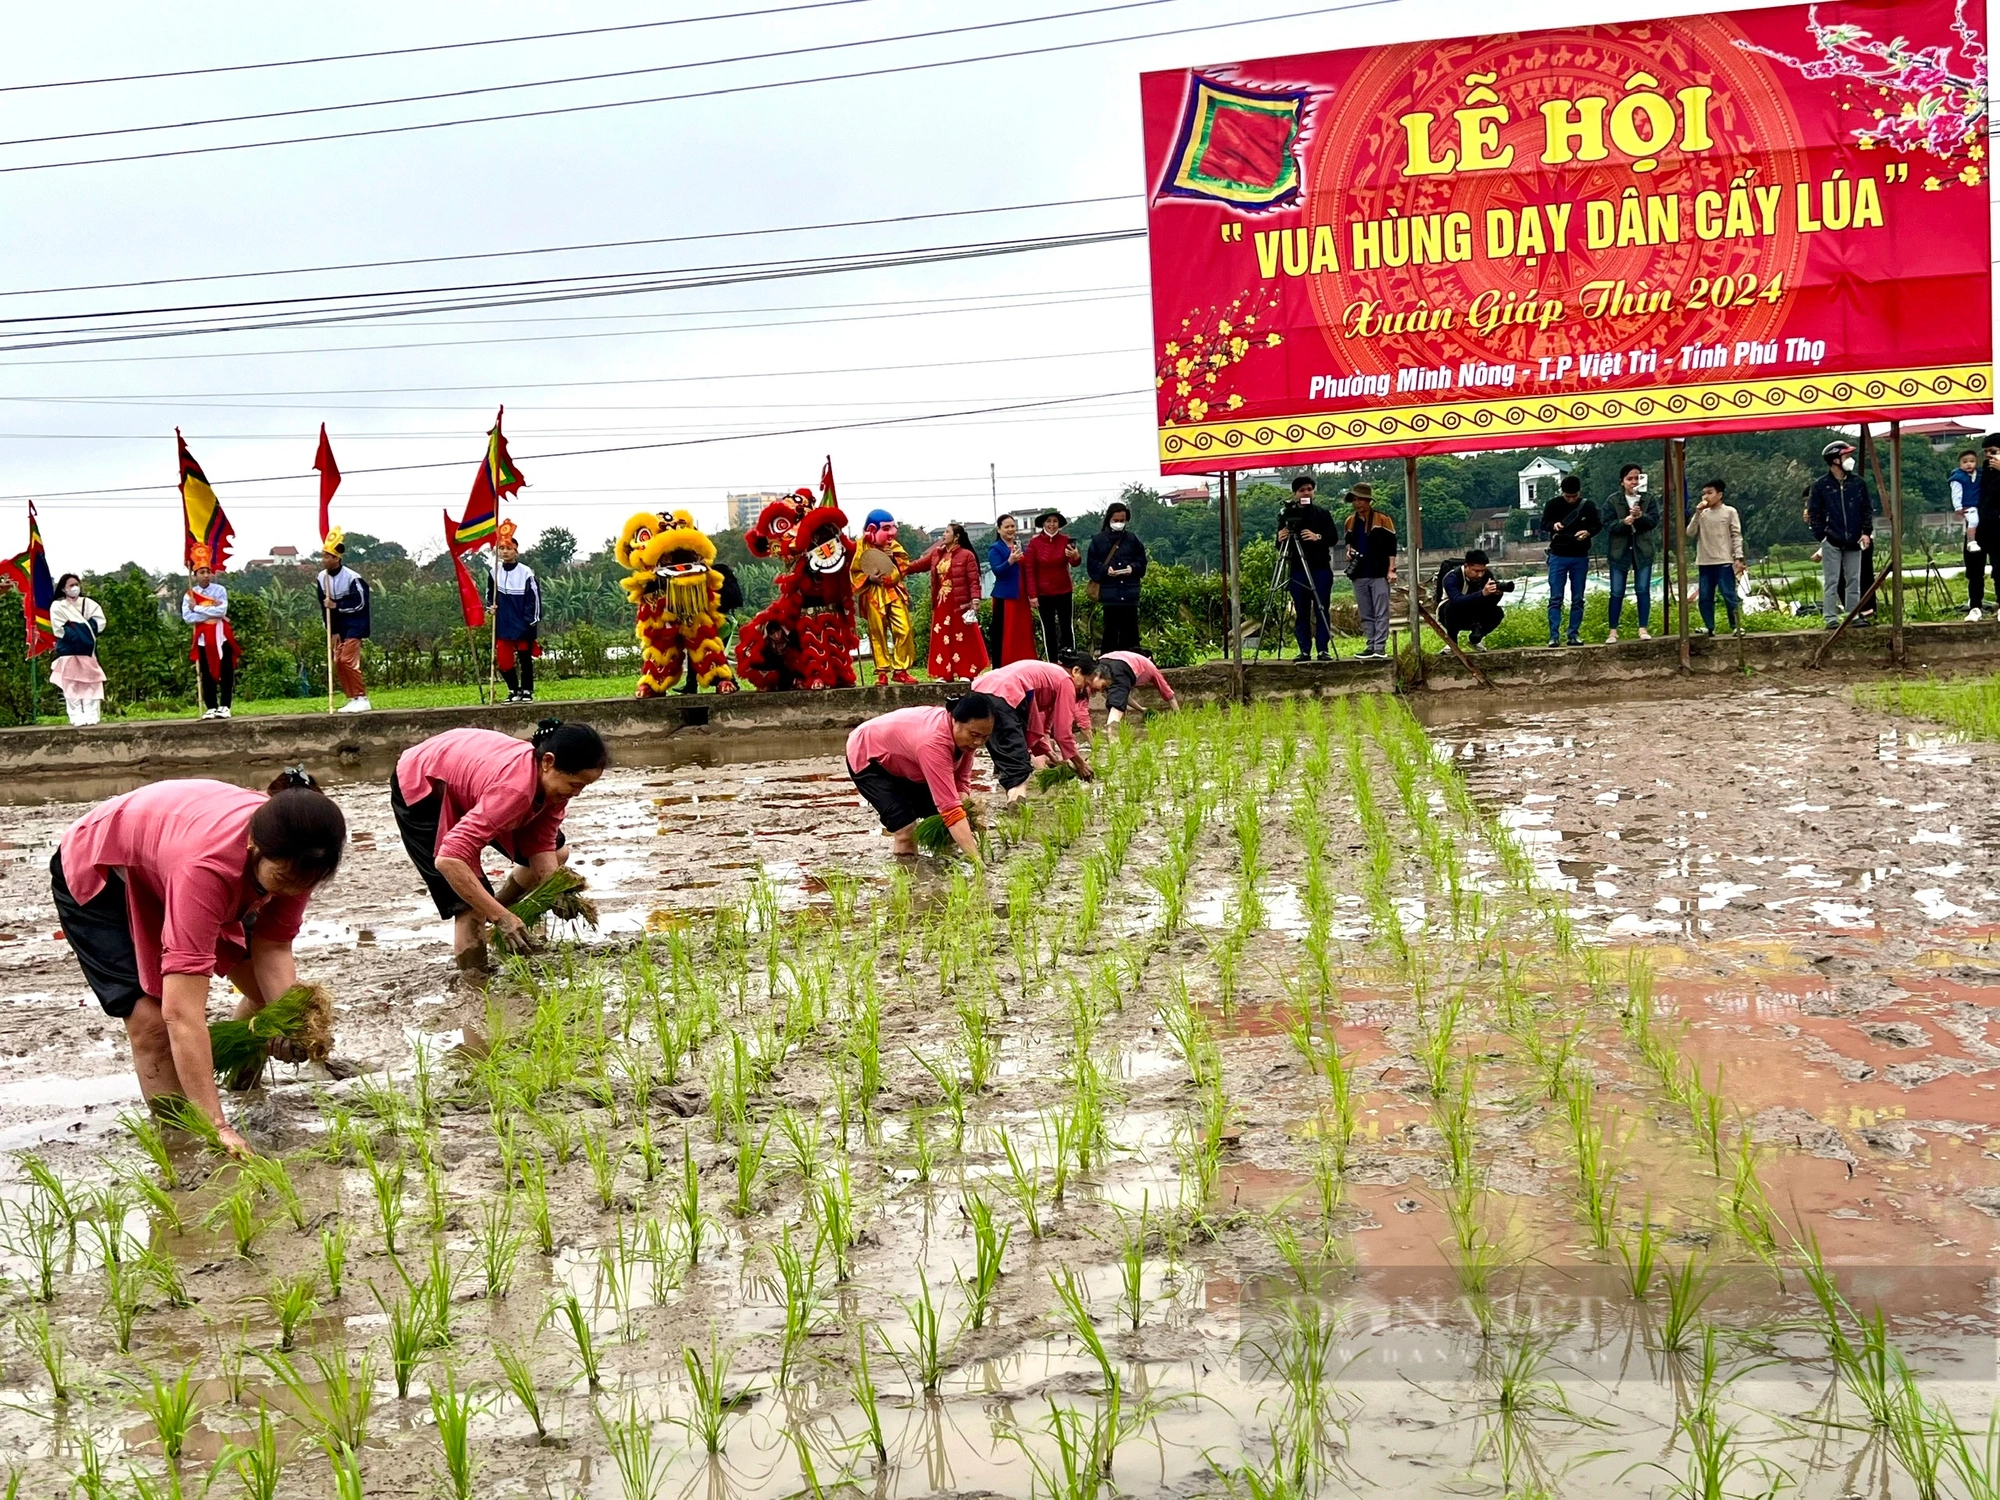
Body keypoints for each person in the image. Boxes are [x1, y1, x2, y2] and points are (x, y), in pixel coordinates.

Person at [50, 768, 348, 1157]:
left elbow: (272, 948)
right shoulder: (209, 867)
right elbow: (181, 1014)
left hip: (175, 854)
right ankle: (182, 1145)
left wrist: (288, 1022)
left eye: (305, 883)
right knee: (152, 1022)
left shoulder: (300, 855)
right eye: (283, 878)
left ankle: (242, 1080)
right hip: (107, 871)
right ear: (255, 845)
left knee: (266, 996)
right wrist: (218, 1125)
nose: (292, 890)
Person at [392, 720, 609, 972]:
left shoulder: (552, 787)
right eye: (575, 785)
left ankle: (500, 905)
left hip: (471, 775)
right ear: (548, 762)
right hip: (425, 781)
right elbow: (449, 859)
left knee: (559, 853)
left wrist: (555, 891)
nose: (578, 793)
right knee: (468, 906)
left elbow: (541, 844)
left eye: (584, 786)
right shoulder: (513, 791)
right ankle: (476, 988)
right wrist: (501, 918)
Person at [844, 694, 996, 862]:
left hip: (906, 759)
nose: (978, 742)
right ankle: (909, 880)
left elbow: (960, 784)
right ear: (955, 721)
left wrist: (965, 813)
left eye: (985, 737)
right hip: (869, 755)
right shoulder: (934, 743)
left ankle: (945, 869)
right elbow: (950, 808)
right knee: (905, 828)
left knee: (945, 824)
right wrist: (976, 861)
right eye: (974, 734)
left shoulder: (965, 741)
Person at [973, 656, 1096, 803]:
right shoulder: (1066, 681)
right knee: (1019, 770)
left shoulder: (1050, 676)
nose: (1081, 690)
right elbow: (1063, 734)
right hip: (1006, 694)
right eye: (1084, 684)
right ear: (1076, 671)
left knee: (999, 746)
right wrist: (1080, 764)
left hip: (980, 691)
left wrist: (1052, 756)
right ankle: (1017, 815)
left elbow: (1042, 729)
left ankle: (997, 778)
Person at [907, 522, 989, 681]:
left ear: (956, 537)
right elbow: (917, 566)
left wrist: (976, 599)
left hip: (960, 602)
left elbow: (973, 580)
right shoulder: (937, 554)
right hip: (942, 602)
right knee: (942, 635)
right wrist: (898, 565)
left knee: (962, 636)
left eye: (946, 532)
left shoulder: (967, 555)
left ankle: (966, 671)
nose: (943, 535)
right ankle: (944, 673)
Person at [1808, 439, 1874, 627]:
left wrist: (1866, 532)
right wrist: (1822, 536)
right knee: (1832, 580)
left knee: (1854, 579)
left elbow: (1866, 509)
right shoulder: (1821, 485)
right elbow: (1815, 513)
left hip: (1854, 539)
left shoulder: (1857, 483)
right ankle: (1830, 618)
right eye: (1846, 455)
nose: (1849, 459)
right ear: (1835, 460)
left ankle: (1852, 615)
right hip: (1832, 540)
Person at [853, 510, 918, 685]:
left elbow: (904, 566)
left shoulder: (894, 546)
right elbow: (855, 570)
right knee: (877, 632)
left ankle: (900, 669)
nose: (891, 533)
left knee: (903, 628)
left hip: (894, 591)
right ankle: (882, 671)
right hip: (874, 593)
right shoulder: (862, 545)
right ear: (873, 529)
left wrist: (893, 560)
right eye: (886, 528)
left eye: (893, 527)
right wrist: (869, 578)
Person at [1277, 475, 1338, 661]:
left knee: (1321, 608)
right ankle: (1304, 650)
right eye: (1302, 490)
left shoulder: (1322, 513)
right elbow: (1280, 545)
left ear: (1314, 492)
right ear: (1295, 493)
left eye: (1309, 489)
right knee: (1301, 611)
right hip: (1297, 570)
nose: (1306, 493)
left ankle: (1322, 649)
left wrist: (1317, 537)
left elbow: (1333, 538)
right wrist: (1280, 537)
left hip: (1320, 568)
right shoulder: (1286, 515)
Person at [316, 529, 373, 713]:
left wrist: (337, 605)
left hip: (356, 624)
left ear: (336, 558)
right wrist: (331, 631)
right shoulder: (321, 578)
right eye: (323, 556)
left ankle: (362, 697)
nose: (324, 560)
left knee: (347, 659)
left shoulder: (352, 578)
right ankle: (353, 697)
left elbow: (361, 603)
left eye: (327, 557)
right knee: (338, 661)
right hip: (338, 627)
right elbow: (323, 605)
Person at [487, 521, 543, 703]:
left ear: (516, 551)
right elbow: (490, 595)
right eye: (501, 548)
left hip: (523, 624)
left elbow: (534, 599)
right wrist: (491, 606)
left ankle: (527, 690)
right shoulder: (494, 571)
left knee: (525, 659)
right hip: (503, 624)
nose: (504, 551)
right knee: (504, 661)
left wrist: (530, 621)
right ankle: (513, 690)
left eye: (508, 548)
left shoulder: (526, 573)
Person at [1603, 463, 1659, 643]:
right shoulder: (1613, 500)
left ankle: (1643, 628)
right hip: (1619, 551)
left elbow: (1653, 521)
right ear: (1622, 482)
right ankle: (1612, 631)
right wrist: (1623, 522)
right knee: (1616, 591)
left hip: (1642, 550)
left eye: (1637, 478)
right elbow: (1607, 524)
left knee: (1643, 589)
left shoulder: (1648, 498)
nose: (1633, 482)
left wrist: (1640, 516)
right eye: (1629, 479)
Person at [182, 545, 238, 721]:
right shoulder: (190, 594)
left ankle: (225, 705)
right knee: (206, 672)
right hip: (203, 638)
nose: (206, 575)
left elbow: (221, 612)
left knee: (226, 671)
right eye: (202, 572)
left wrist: (198, 608)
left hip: (221, 635)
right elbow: (188, 617)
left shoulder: (219, 590)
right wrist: (207, 610)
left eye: (208, 571)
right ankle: (211, 706)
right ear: (195, 575)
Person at [1542, 474, 1598, 646]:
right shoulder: (1553, 504)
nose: (1572, 500)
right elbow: (1543, 523)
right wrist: (1553, 525)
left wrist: (1588, 532)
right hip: (1558, 555)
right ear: (1563, 493)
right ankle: (1554, 635)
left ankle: (1573, 634)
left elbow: (1597, 524)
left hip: (1579, 555)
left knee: (1578, 597)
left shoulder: (1588, 506)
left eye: (1574, 496)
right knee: (1556, 597)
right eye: (1568, 497)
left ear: (1579, 492)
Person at [1342, 482, 1397, 657]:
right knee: (1366, 612)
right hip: (1359, 573)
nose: (1357, 503)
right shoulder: (1350, 521)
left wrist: (1391, 569)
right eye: (1355, 500)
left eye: (1360, 500)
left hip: (1379, 572)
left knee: (1381, 611)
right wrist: (1349, 551)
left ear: (1368, 500)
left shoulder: (1383, 519)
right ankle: (1371, 644)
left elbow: (1391, 546)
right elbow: (1348, 541)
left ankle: (1379, 647)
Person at [1687, 477, 1747, 636]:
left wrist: (1738, 557)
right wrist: (1697, 513)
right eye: (1704, 493)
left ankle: (1735, 626)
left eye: (1710, 493)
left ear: (1719, 495)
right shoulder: (1702, 514)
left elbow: (1736, 535)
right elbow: (1690, 532)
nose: (1706, 497)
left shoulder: (1729, 512)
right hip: (1704, 561)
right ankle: (1709, 626)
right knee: (1705, 597)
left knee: (1729, 594)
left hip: (1724, 561)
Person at [1086, 502, 1147, 653]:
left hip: (1129, 594)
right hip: (1110, 595)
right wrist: (1106, 570)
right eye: (1116, 520)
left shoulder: (1132, 539)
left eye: (1122, 520)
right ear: (1109, 519)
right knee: (1111, 633)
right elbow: (1092, 566)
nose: (1119, 523)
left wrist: (1132, 568)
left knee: (1131, 634)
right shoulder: (1098, 541)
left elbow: (1142, 562)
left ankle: (1133, 667)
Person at [49, 573, 107, 727]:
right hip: (68, 651)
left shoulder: (89, 604)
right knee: (71, 685)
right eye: (70, 585)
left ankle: (91, 715)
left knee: (91, 683)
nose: (74, 588)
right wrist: (77, 636)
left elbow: (99, 623)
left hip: (87, 651)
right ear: (63, 588)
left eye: (76, 584)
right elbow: (59, 628)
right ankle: (75, 716)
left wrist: (84, 633)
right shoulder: (58, 606)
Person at [1024, 511, 1081, 660]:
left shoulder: (1065, 540)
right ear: (1043, 524)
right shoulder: (1034, 543)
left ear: (1059, 524)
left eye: (1055, 521)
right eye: (1048, 521)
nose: (1051, 524)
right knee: (1048, 629)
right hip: (1043, 593)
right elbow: (1029, 570)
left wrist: (1075, 556)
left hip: (1064, 590)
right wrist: (1032, 595)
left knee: (1066, 627)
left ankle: (1070, 659)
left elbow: (1075, 563)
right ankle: (1052, 662)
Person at [984, 515, 1038, 666]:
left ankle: (1024, 663)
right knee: (1006, 633)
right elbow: (997, 571)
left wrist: (1032, 594)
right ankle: (1004, 665)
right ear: (999, 529)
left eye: (1012, 526)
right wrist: (1010, 561)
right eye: (1006, 527)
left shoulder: (1019, 546)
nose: (1010, 530)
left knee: (1022, 632)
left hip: (1021, 596)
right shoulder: (995, 548)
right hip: (1005, 597)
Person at [1439, 549, 1509, 648]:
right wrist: (1483, 593)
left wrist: (1497, 594)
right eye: (1476, 571)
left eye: (1483, 571)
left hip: (1475, 611)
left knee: (1497, 612)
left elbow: (1491, 603)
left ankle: (1476, 638)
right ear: (1466, 566)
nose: (1480, 575)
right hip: (1450, 614)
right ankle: (1452, 643)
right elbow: (1456, 600)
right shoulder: (1451, 577)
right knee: (1451, 607)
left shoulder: (1486, 575)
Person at [1094, 647, 1176, 724]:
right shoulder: (1150, 666)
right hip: (1121, 666)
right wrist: (1178, 716)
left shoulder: (1129, 656)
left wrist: (1141, 709)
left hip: (1101, 661)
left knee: (1115, 697)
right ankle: (1112, 731)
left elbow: (1124, 696)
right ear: (1150, 658)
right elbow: (1169, 695)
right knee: (1117, 704)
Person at [1963, 443, 1991, 621]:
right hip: (1977, 527)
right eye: (1987, 452)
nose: (1990, 456)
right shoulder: (1981, 474)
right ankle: (1975, 606)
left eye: (1994, 452)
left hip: (1995, 528)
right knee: (1974, 571)